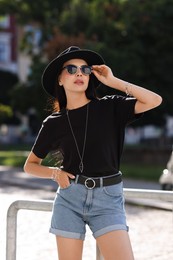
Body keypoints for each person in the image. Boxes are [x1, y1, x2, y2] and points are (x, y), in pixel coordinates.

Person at [24, 46, 162, 260]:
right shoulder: (54, 123)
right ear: (59, 79)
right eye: (71, 69)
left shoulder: (110, 108)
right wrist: (54, 173)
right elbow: (30, 165)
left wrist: (113, 82)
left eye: (85, 69)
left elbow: (154, 100)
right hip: (70, 197)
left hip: (108, 199)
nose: (79, 73)